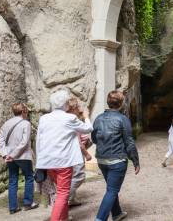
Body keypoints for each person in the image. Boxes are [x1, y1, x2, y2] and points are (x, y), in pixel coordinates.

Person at [36, 90, 93, 221]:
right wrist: (86, 116)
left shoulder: (44, 118)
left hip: (48, 162)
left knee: (61, 191)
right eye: (67, 101)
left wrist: (40, 162)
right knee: (63, 194)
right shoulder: (70, 118)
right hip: (63, 162)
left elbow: (39, 140)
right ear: (64, 104)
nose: (68, 103)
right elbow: (88, 129)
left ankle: (64, 217)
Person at [92, 90, 140, 221]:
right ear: (121, 103)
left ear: (109, 102)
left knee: (111, 188)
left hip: (101, 159)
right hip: (117, 160)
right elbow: (129, 142)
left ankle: (117, 213)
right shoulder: (123, 119)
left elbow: (94, 139)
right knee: (112, 191)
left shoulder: (98, 118)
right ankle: (100, 219)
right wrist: (136, 161)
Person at [0, 103, 39, 214]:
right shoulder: (26, 123)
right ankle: (28, 203)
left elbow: (1, 140)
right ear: (23, 112)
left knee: (12, 180)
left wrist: (5, 154)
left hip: (9, 157)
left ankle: (13, 207)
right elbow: (24, 142)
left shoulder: (6, 123)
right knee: (29, 177)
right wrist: (14, 154)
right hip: (23, 156)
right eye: (26, 111)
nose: (27, 113)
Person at [65, 97, 93, 207]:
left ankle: (71, 199)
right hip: (76, 153)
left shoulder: (70, 118)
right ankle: (64, 198)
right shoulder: (71, 120)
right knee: (79, 176)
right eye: (78, 106)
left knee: (72, 176)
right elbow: (78, 141)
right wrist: (86, 154)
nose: (80, 109)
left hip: (71, 153)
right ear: (73, 108)